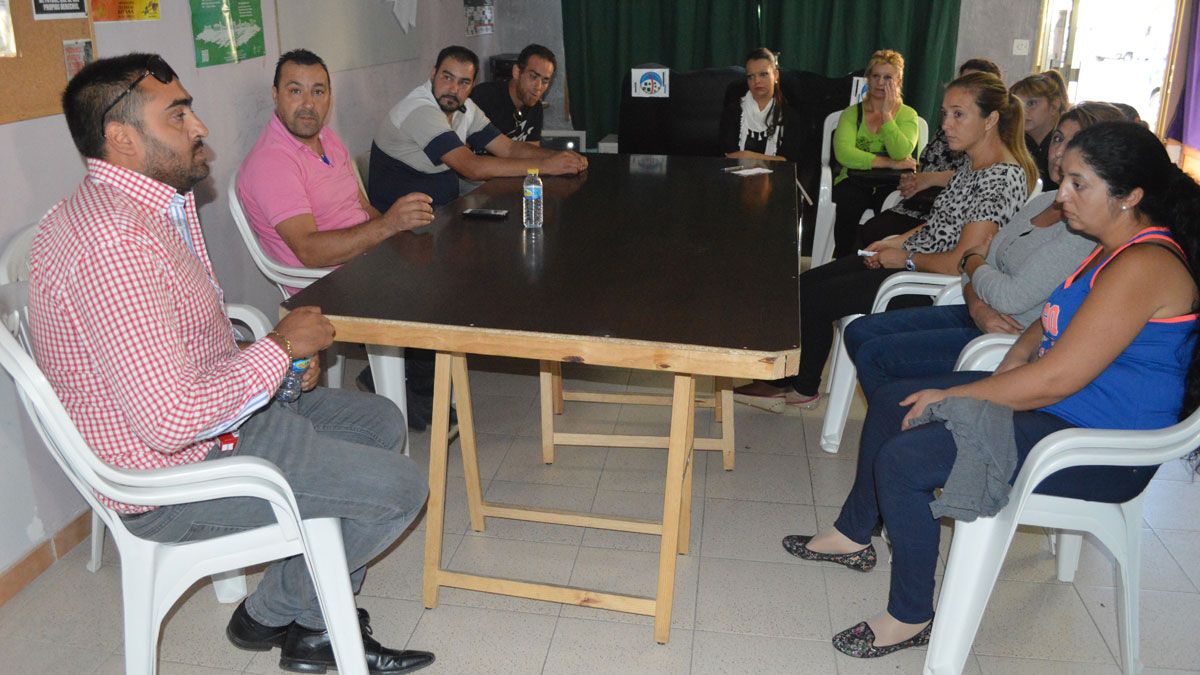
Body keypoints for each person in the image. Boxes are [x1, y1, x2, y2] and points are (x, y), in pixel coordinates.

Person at [30, 53, 434, 673]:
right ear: (122, 138)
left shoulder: (144, 209)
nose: (200, 127)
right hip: (176, 476)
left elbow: (180, 354)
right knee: (403, 488)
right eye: (179, 114)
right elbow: (170, 419)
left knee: (381, 422)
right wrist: (277, 350)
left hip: (211, 426)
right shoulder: (115, 247)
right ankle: (281, 613)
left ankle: (298, 617)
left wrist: (268, 366)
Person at [783, 121, 1200, 659]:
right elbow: (1054, 317)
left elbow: (1058, 380)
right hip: (1061, 406)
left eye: (1079, 184)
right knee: (893, 402)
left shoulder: (1144, 265)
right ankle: (853, 534)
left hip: (1093, 443)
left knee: (905, 461)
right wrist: (1017, 355)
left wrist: (962, 396)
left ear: (1130, 197)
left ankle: (910, 616)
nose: (1063, 195)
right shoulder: (1112, 245)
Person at [734, 72, 1036, 411]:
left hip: (930, 282)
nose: (946, 124)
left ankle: (801, 387)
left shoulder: (1000, 178)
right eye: (945, 113)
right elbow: (937, 225)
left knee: (816, 297)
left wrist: (903, 259)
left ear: (990, 120)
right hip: (913, 261)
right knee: (804, 283)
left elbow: (961, 262)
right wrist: (896, 241)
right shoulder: (973, 163)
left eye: (958, 114)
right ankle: (787, 378)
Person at [845, 102, 1127, 397]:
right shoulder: (1046, 200)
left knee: (875, 355)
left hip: (1005, 336)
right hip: (977, 311)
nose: (1059, 152)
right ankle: (908, 415)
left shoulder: (1084, 226)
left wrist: (974, 261)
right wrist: (978, 301)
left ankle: (909, 419)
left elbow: (1008, 294)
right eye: (1058, 139)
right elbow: (974, 261)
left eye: (1073, 142)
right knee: (858, 332)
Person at [237, 49, 442, 431]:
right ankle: (415, 390)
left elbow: (361, 207)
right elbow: (309, 250)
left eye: (318, 92)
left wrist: (399, 237)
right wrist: (388, 228)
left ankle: (425, 386)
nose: (308, 104)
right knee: (430, 292)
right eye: (295, 91)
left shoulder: (328, 140)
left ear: (330, 96)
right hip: (324, 283)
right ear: (275, 94)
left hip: (364, 262)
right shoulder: (274, 162)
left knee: (442, 261)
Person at [368, 45, 587, 210]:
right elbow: (471, 167)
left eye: (464, 82)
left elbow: (509, 149)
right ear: (433, 74)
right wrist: (547, 166)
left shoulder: (466, 107)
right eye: (447, 77)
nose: (454, 89)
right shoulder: (421, 110)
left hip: (444, 208)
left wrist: (560, 158)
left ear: (472, 85)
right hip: (403, 225)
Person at [856, 58, 1003, 246]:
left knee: (874, 238)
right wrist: (913, 179)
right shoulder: (947, 130)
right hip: (919, 203)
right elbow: (925, 163)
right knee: (868, 230)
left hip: (940, 217)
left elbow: (974, 179)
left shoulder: (993, 147)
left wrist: (930, 179)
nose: (947, 123)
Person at [830, 50, 921, 258]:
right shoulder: (851, 113)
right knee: (847, 206)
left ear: (898, 81)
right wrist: (889, 162)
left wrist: (887, 116)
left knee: (890, 216)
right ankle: (844, 261)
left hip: (891, 183)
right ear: (868, 79)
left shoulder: (908, 115)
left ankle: (879, 263)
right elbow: (844, 154)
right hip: (854, 179)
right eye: (875, 76)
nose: (880, 83)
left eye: (887, 77)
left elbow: (902, 151)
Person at [469, 43, 556, 145]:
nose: (538, 87)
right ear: (516, 72)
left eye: (545, 81)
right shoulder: (484, 97)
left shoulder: (535, 107)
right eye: (533, 76)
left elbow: (532, 152)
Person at [719, 47, 795, 162]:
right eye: (751, 76)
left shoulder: (789, 114)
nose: (756, 81)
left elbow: (788, 160)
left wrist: (747, 155)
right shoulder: (733, 111)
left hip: (777, 177)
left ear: (775, 75)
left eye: (763, 74)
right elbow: (728, 155)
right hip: (736, 177)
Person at [1011, 70, 1070, 191]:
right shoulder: (1016, 143)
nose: (1023, 111)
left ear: (1054, 106)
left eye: (1031, 103)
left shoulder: (1067, 146)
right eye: (1018, 105)